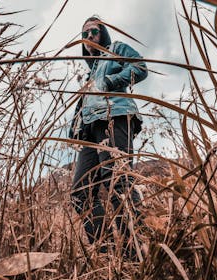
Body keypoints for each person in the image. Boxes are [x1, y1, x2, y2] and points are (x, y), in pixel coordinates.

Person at [69, 16, 148, 258]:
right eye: (85, 34)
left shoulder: (115, 50)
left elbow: (140, 67)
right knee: (80, 192)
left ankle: (135, 255)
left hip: (114, 116)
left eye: (94, 31)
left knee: (118, 182)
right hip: (90, 132)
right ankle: (106, 254)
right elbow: (82, 106)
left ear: (102, 34)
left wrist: (111, 81)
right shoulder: (89, 75)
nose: (89, 37)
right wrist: (74, 127)